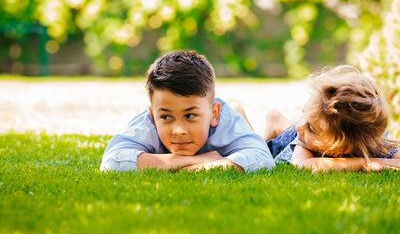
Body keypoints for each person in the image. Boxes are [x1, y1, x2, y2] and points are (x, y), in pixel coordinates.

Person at [100, 50, 275, 172]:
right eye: (166, 116)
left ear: (214, 114)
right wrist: (200, 161)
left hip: (231, 125)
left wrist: (191, 170)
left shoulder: (225, 122)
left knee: (251, 132)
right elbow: (111, 162)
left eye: (190, 115)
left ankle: (242, 111)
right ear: (153, 116)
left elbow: (261, 159)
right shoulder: (147, 124)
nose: (179, 131)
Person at [262, 65, 400, 172]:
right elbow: (301, 164)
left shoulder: (373, 146)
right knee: (271, 133)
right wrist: (368, 162)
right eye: (304, 113)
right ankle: (274, 120)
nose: (300, 126)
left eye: (311, 128)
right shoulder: (303, 140)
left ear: (343, 146)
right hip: (287, 138)